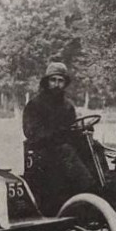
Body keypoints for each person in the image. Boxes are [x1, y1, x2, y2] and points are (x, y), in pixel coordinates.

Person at [22, 61, 96, 212]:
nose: (57, 84)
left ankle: (102, 186)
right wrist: (59, 133)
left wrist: (83, 131)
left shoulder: (67, 105)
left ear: (65, 83)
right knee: (66, 151)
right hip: (42, 152)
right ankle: (87, 188)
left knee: (95, 147)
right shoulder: (35, 105)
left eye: (60, 81)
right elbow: (31, 133)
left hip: (64, 148)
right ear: (47, 82)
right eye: (53, 80)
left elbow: (72, 128)